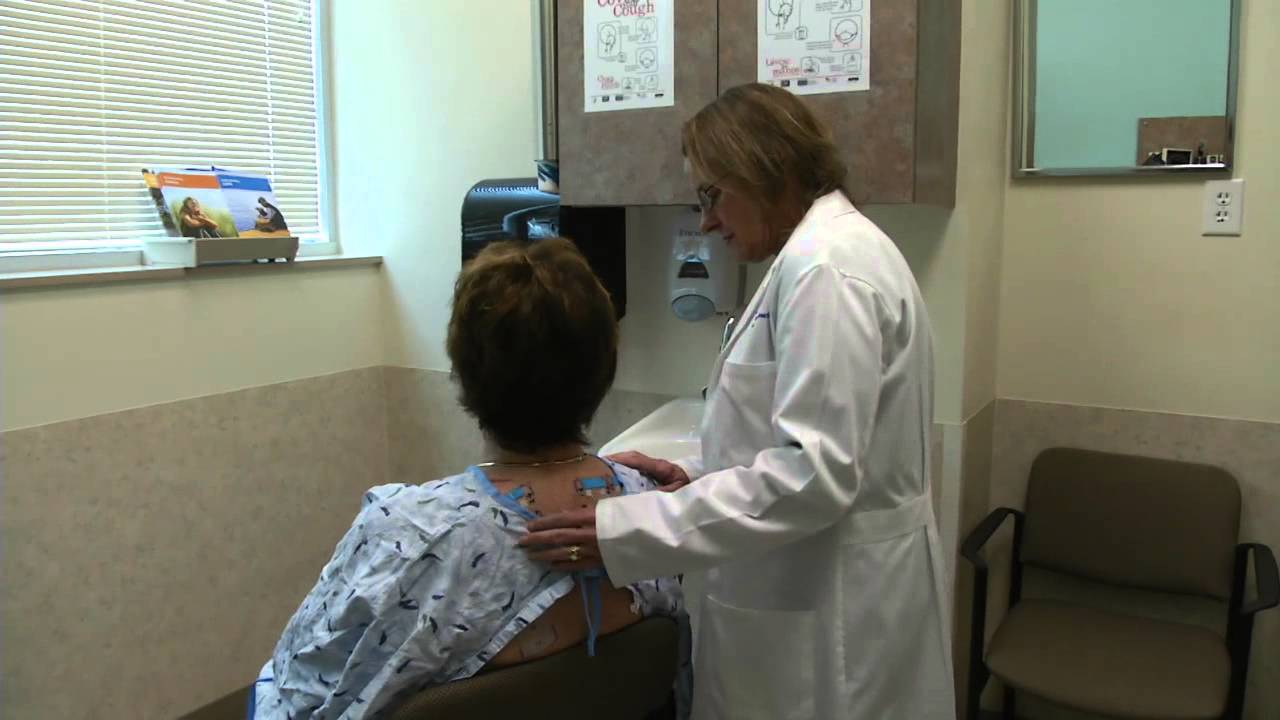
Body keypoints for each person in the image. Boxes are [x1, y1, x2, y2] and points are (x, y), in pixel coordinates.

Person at [521, 83, 955, 719]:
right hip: (819, 589)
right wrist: (698, 472)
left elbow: (815, 475)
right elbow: (805, 443)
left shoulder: (827, 270)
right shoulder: (816, 257)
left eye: (711, 194)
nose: (705, 221)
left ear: (764, 171)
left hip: (829, 617)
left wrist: (632, 530)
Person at [251, 239, 682, 718]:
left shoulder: (410, 532)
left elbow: (295, 693)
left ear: (463, 368)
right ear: (604, 367)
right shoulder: (653, 511)